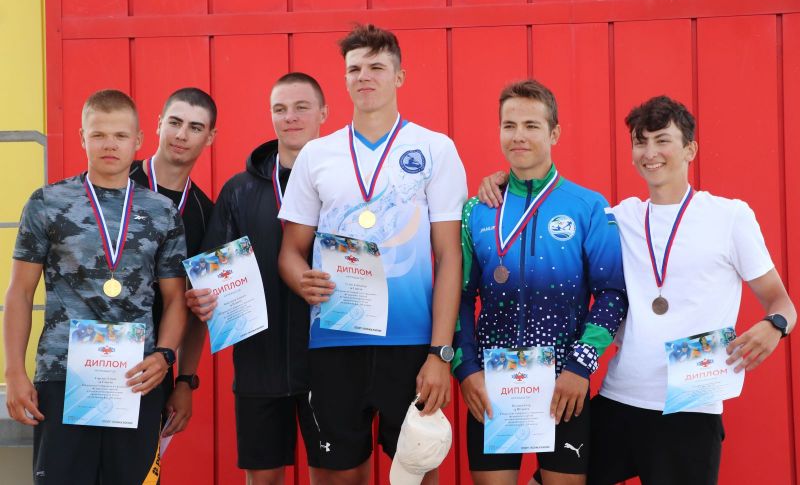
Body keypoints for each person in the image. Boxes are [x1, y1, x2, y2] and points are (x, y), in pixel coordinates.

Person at [478, 95, 797, 485]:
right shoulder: (618, 217)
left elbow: (781, 302)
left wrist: (775, 326)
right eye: (640, 142)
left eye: (662, 140)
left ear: (690, 149)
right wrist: (505, 182)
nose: (650, 153)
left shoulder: (730, 217)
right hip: (619, 399)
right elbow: (546, 208)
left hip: (690, 408)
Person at [277, 24, 467, 484]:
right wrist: (300, 278)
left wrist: (440, 353)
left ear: (399, 76)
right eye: (355, 69)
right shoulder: (316, 154)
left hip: (411, 345)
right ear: (344, 79)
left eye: (377, 67)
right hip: (334, 341)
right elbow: (290, 252)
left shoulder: (435, 148)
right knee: (339, 476)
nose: (365, 76)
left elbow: (449, 257)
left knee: (416, 473)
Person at [3, 89, 188, 484]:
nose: (109, 145)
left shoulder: (162, 211)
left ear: (138, 140)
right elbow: (20, 292)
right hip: (62, 375)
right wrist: (15, 371)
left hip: (137, 377)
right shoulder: (47, 202)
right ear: (82, 137)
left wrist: (165, 355)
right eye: (99, 134)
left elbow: (175, 299)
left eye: (120, 135)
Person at [455, 80, 627, 485]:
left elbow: (612, 294)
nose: (519, 135)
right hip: (492, 383)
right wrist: (466, 370)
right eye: (509, 125)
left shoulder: (588, 206)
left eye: (531, 125)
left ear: (554, 133)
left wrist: (580, 366)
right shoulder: (477, 210)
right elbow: (459, 297)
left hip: (563, 385)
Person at [185, 73, 328, 484]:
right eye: (280, 109)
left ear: (323, 113)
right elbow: (208, 275)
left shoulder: (343, 183)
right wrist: (201, 295)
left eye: (301, 107)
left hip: (329, 364)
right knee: (262, 478)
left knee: (332, 476)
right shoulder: (239, 190)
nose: (290, 117)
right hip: (258, 364)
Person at [128, 87, 217, 437]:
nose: (181, 135)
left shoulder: (205, 213)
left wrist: (184, 380)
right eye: (175, 122)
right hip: (96, 354)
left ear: (210, 137)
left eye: (195, 127)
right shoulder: (117, 182)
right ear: (158, 124)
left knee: (142, 466)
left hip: (156, 365)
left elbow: (198, 308)